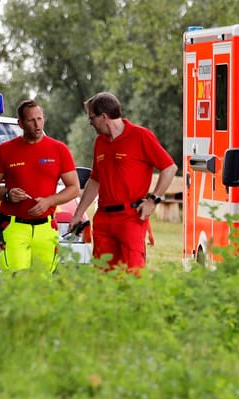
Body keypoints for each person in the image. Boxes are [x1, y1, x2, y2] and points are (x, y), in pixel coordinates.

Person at [70, 91, 177, 273]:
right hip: (103, 219)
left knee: (133, 274)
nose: (90, 123)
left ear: (103, 117)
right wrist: (78, 214)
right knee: (103, 275)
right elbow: (95, 180)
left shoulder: (140, 136)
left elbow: (169, 168)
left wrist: (153, 200)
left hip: (131, 217)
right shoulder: (100, 142)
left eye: (91, 119)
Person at [0, 100, 81, 273]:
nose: (37, 124)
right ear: (20, 123)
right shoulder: (5, 150)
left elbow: (73, 188)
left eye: (40, 119)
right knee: (16, 283)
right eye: (31, 120)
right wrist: (7, 194)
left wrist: (49, 201)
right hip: (14, 227)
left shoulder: (59, 149)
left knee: (42, 286)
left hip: (46, 228)